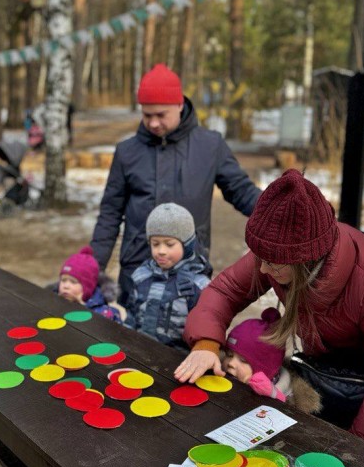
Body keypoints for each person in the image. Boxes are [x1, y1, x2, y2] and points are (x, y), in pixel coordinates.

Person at [174, 170, 364, 467]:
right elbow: (225, 291)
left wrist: (352, 462)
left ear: (305, 261)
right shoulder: (280, 252)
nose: (263, 268)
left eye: (273, 263)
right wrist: (206, 343)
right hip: (351, 352)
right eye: (260, 257)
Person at [90, 63, 261, 304]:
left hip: (189, 276)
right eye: (147, 115)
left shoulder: (210, 146)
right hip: (136, 273)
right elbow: (110, 213)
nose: (153, 123)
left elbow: (242, 191)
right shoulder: (127, 152)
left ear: (180, 104)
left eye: (161, 115)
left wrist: (280, 212)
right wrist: (93, 267)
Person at [125, 203, 210, 351]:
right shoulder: (141, 276)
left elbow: (204, 334)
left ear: (187, 245)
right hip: (138, 352)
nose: (161, 251)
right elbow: (131, 315)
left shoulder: (198, 286)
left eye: (169, 244)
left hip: (177, 362)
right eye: (155, 244)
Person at [223, 308, 321, 413]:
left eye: (243, 360)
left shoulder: (288, 396)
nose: (231, 363)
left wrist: (274, 395)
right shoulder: (222, 374)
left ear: (265, 371)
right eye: (229, 354)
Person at [57, 247, 123, 323]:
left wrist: (82, 307)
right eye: (63, 280)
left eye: (73, 282)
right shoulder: (54, 303)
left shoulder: (106, 314)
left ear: (87, 288)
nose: (66, 286)